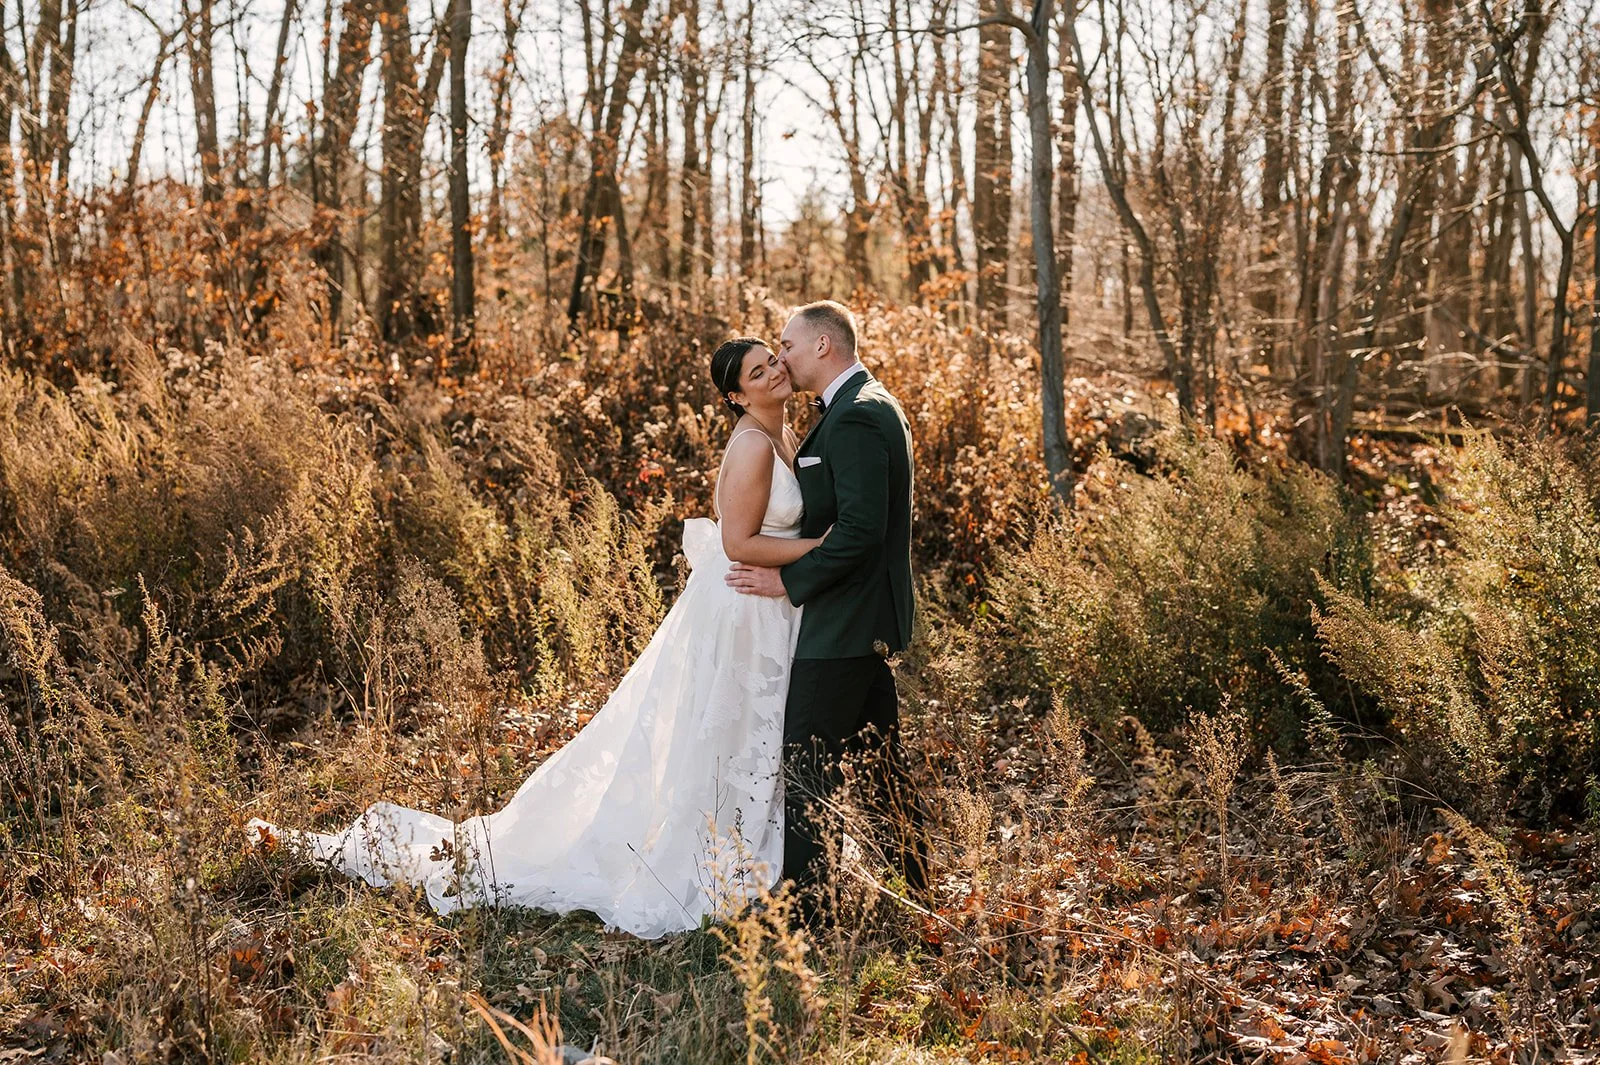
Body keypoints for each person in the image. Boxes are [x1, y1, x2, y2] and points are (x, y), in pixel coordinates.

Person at [250, 337, 820, 939]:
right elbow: (737, 543)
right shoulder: (752, 444)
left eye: (772, 360)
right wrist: (827, 549)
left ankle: (748, 838)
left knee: (742, 731)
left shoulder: (782, 432)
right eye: (757, 372)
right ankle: (710, 853)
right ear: (737, 396)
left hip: (767, 604)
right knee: (726, 732)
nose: (774, 371)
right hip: (742, 607)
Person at [725, 299, 930, 920]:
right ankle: (917, 886)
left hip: (843, 620)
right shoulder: (855, 407)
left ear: (822, 345)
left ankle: (807, 915)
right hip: (856, 618)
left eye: (786, 346)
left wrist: (790, 581)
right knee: (877, 759)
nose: (781, 358)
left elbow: (862, 530)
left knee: (809, 763)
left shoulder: (859, 414)